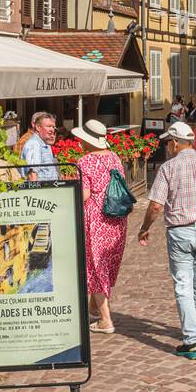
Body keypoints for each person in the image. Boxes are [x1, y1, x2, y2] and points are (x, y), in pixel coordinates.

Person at [137, 121, 196, 360]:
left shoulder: (168, 169)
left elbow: (156, 205)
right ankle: (194, 329)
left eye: (168, 143)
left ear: (174, 143)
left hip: (180, 232)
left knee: (183, 285)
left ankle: (192, 341)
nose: (167, 148)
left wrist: (144, 228)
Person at [75, 119, 128, 335]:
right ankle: (94, 308)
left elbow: (85, 194)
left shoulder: (85, 161)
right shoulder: (115, 157)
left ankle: (106, 320)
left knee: (94, 267)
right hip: (116, 218)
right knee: (105, 264)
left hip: (96, 218)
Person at [21, 111, 60, 183]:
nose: (52, 130)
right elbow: (32, 175)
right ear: (38, 127)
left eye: (53, 127)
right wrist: (36, 193)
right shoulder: (34, 144)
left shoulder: (44, 144)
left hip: (50, 190)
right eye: (48, 126)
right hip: (41, 191)